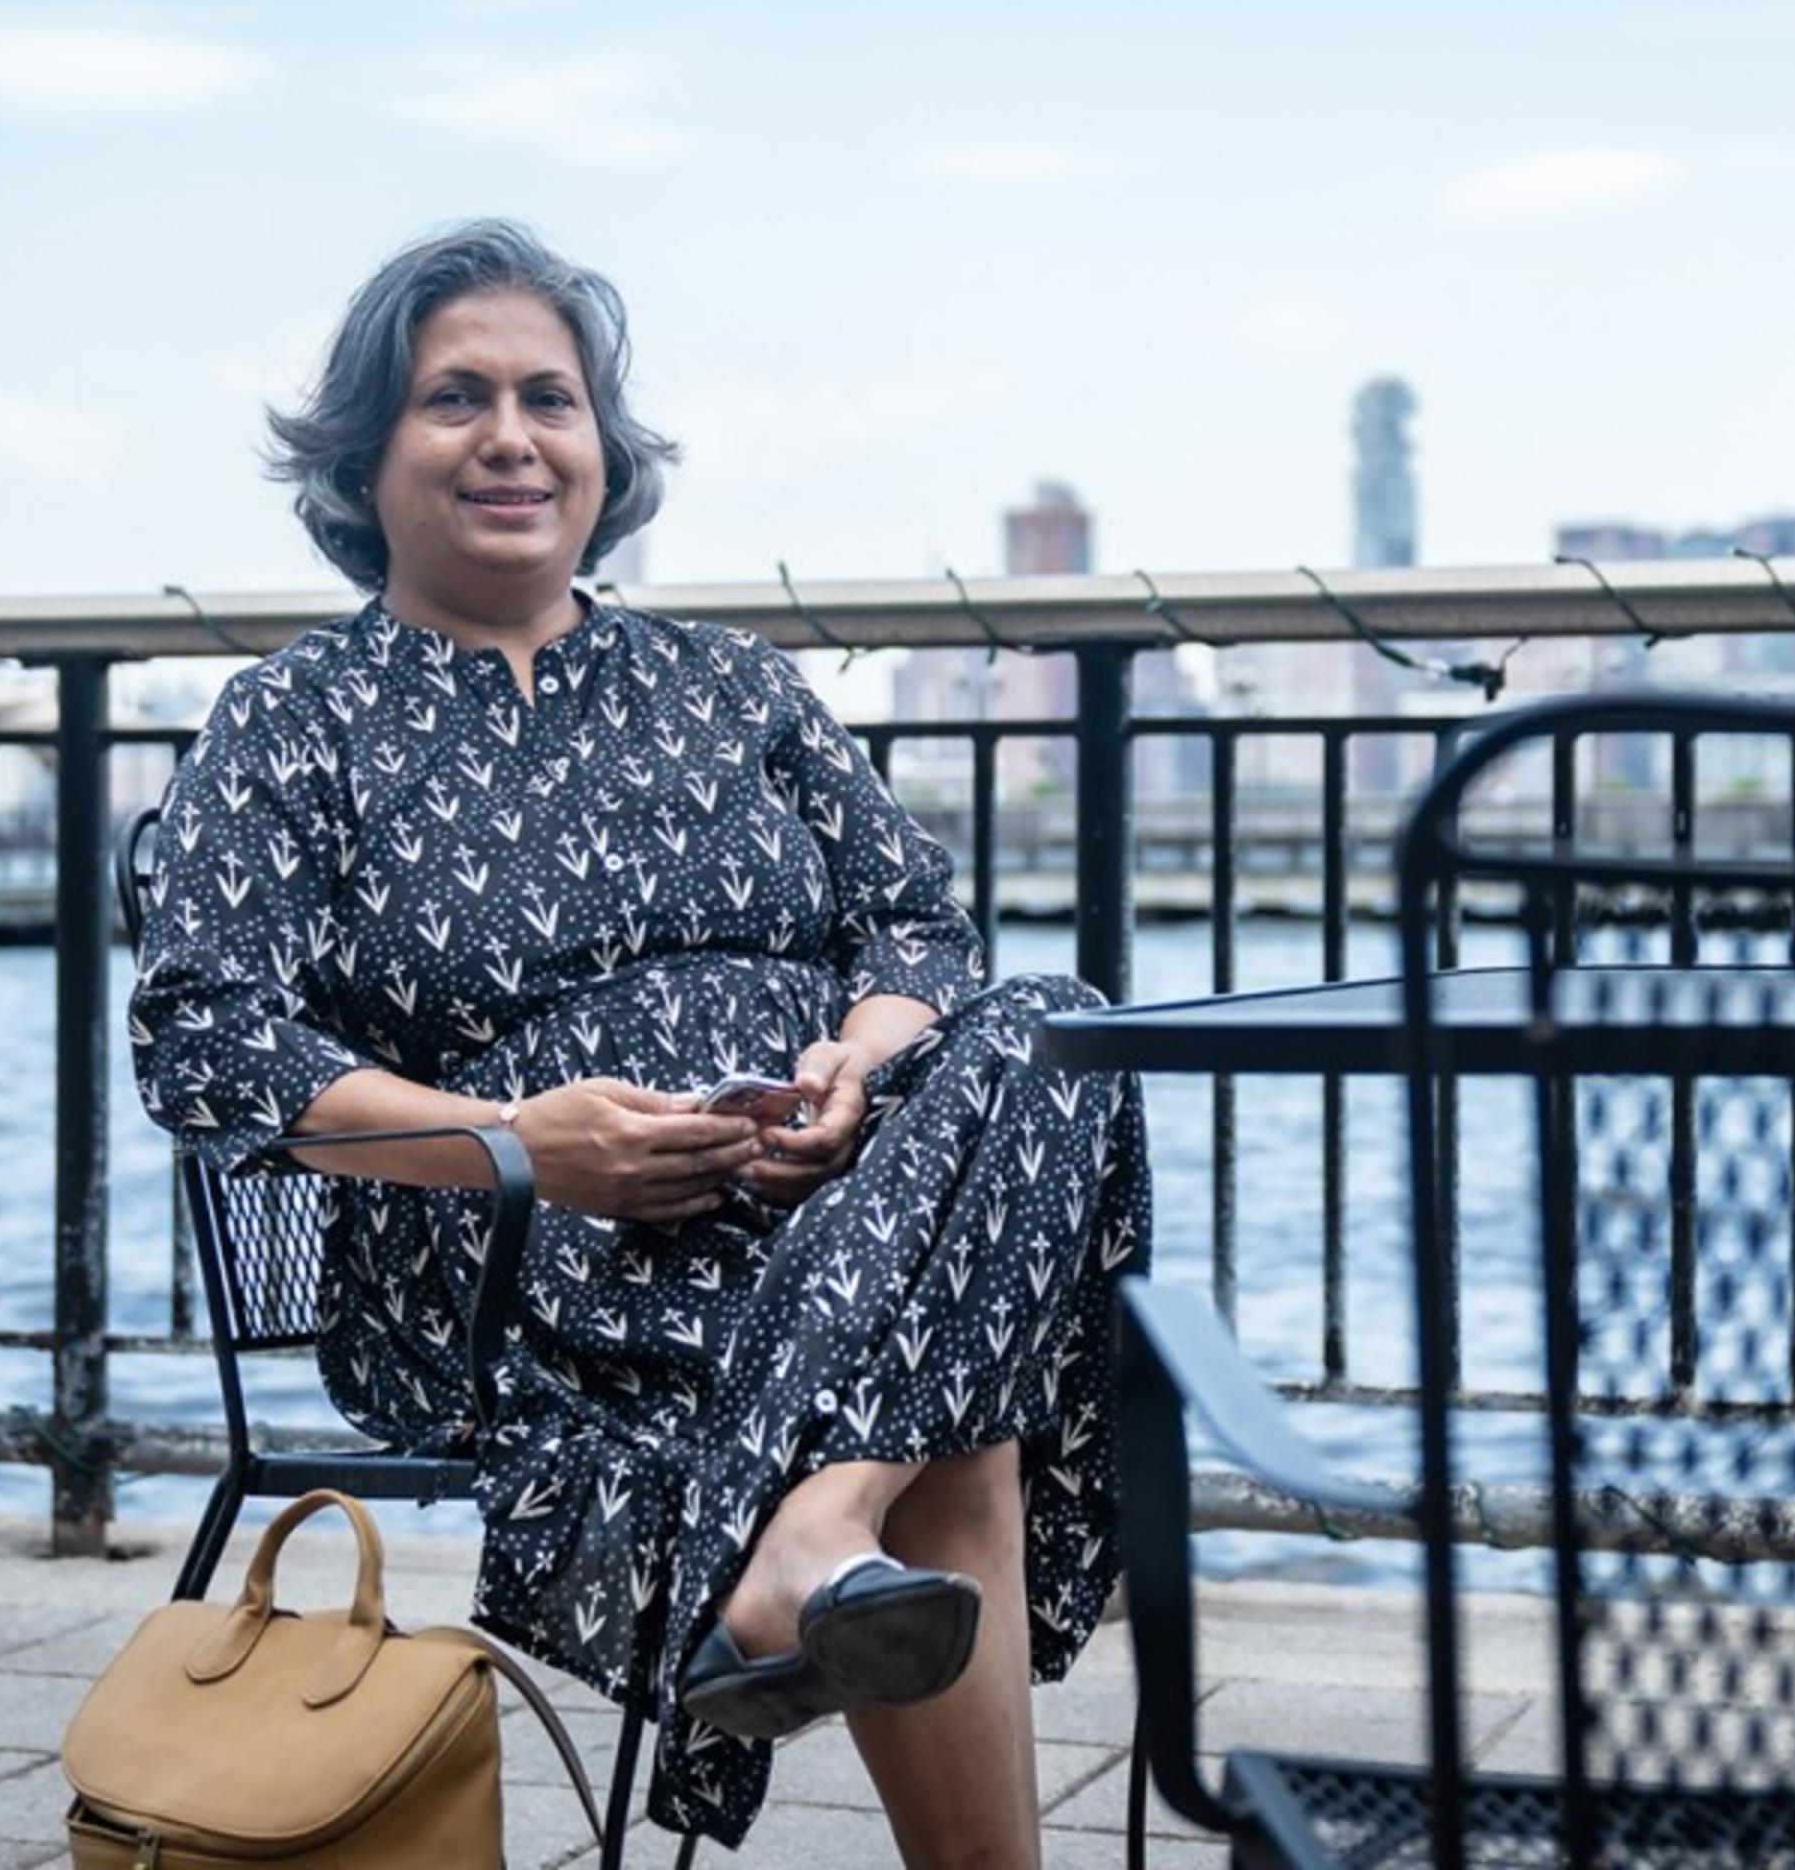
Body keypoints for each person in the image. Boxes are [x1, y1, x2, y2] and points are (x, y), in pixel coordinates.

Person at [130, 220, 1150, 1865]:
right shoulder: (296, 716)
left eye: (553, 397)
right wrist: (526, 1137)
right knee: (951, 1407)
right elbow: (208, 1037)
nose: (514, 438)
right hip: (506, 1252)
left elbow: (917, 937)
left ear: (606, 449)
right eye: (455, 399)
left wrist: (858, 1070)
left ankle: (810, 1536)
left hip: (825, 1206)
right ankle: (819, 1550)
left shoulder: (731, 685)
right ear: (365, 456)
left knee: (1052, 1022)